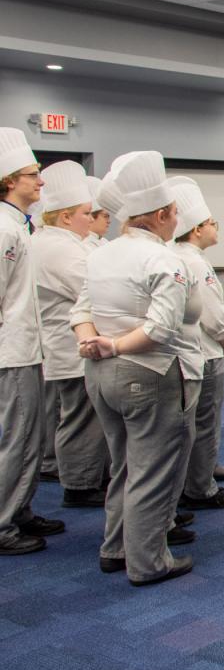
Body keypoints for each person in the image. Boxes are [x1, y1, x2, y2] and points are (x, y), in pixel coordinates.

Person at [70, 151, 200, 586]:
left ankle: (115, 547)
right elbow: (161, 328)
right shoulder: (163, 260)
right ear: (161, 215)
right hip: (147, 373)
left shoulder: (100, 254)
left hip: (100, 374)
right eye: (175, 213)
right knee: (151, 470)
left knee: (122, 464)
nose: (177, 220)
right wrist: (116, 344)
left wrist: (93, 342)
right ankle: (147, 562)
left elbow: (80, 311)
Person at [0, 128, 65, 557]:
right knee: (19, 438)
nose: (40, 181)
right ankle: (3, 524)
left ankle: (19, 509)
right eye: (32, 174)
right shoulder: (3, 230)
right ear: (8, 181)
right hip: (12, 351)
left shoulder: (18, 226)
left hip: (27, 347)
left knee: (31, 437)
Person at [32, 161, 109, 507]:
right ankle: (79, 485)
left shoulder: (64, 242)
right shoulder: (60, 248)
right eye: (86, 213)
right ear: (65, 217)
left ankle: (89, 476)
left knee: (86, 417)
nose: (91, 220)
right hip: (71, 348)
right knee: (81, 419)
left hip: (73, 346)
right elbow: (96, 290)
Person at [169, 178, 224, 512]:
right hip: (205, 351)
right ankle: (201, 486)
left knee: (193, 422)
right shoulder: (196, 263)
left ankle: (201, 471)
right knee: (206, 420)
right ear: (197, 229)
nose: (216, 228)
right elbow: (213, 314)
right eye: (212, 223)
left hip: (186, 351)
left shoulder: (179, 256)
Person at [85, 175, 109, 250]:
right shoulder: (85, 244)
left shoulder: (104, 241)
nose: (109, 221)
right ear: (91, 217)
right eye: (105, 216)